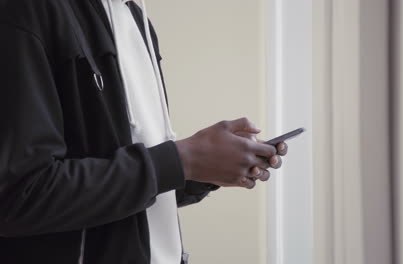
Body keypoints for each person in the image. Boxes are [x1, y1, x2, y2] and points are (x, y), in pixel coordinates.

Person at [0, 0, 288, 263]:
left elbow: (130, 184)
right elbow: (19, 196)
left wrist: (202, 168)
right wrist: (183, 160)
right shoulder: (26, 10)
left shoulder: (135, 18)